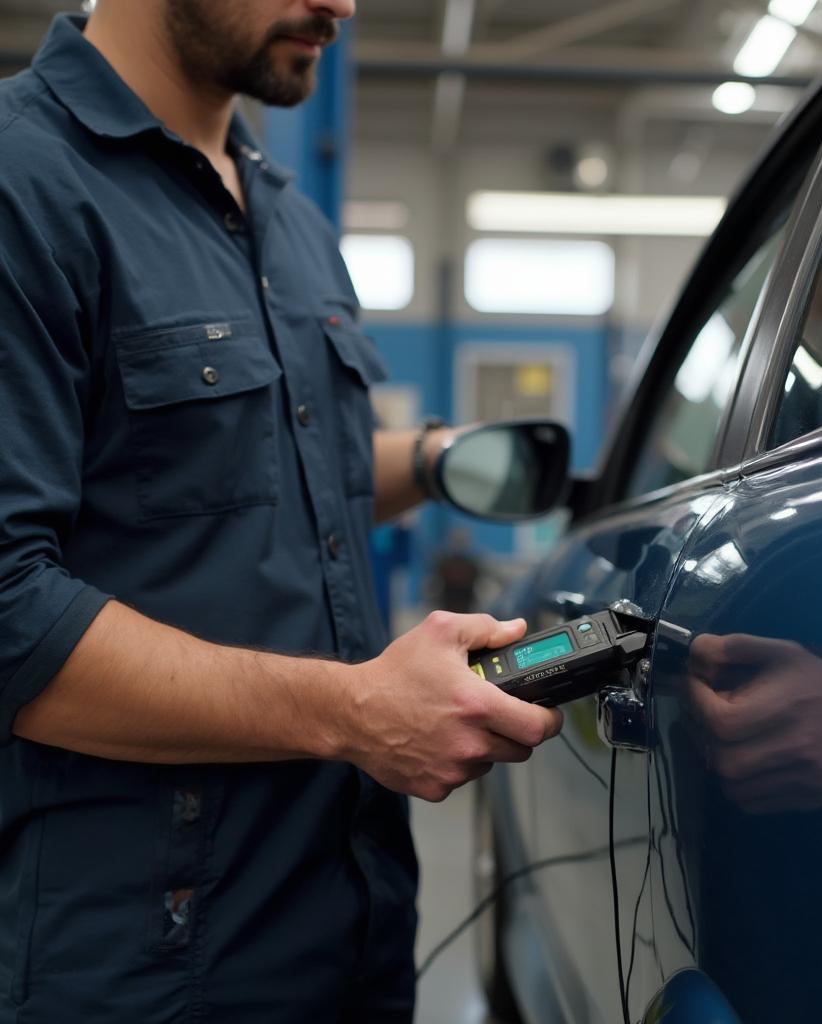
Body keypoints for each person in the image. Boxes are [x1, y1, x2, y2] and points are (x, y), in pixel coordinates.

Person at [0, 2, 562, 1022]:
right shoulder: (23, 185)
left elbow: (270, 465)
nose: (340, 4)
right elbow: (8, 613)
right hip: (143, 962)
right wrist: (355, 711)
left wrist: (434, 461)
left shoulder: (288, 222)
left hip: (348, 926)